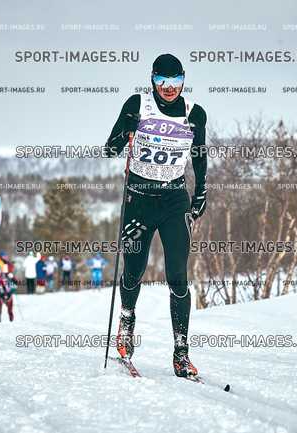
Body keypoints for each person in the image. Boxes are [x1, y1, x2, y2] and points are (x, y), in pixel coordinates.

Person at [105, 53, 207, 378]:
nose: (169, 88)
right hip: (139, 200)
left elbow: (199, 156)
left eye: (175, 81)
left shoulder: (194, 113)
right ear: (152, 80)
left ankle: (181, 353)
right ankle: (126, 320)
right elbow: (110, 149)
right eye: (162, 81)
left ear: (183, 80)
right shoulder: (137, 105)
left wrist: (201, 191)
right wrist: (126, 127)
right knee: (134, 271)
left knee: (178, 277)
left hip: (174, 200)